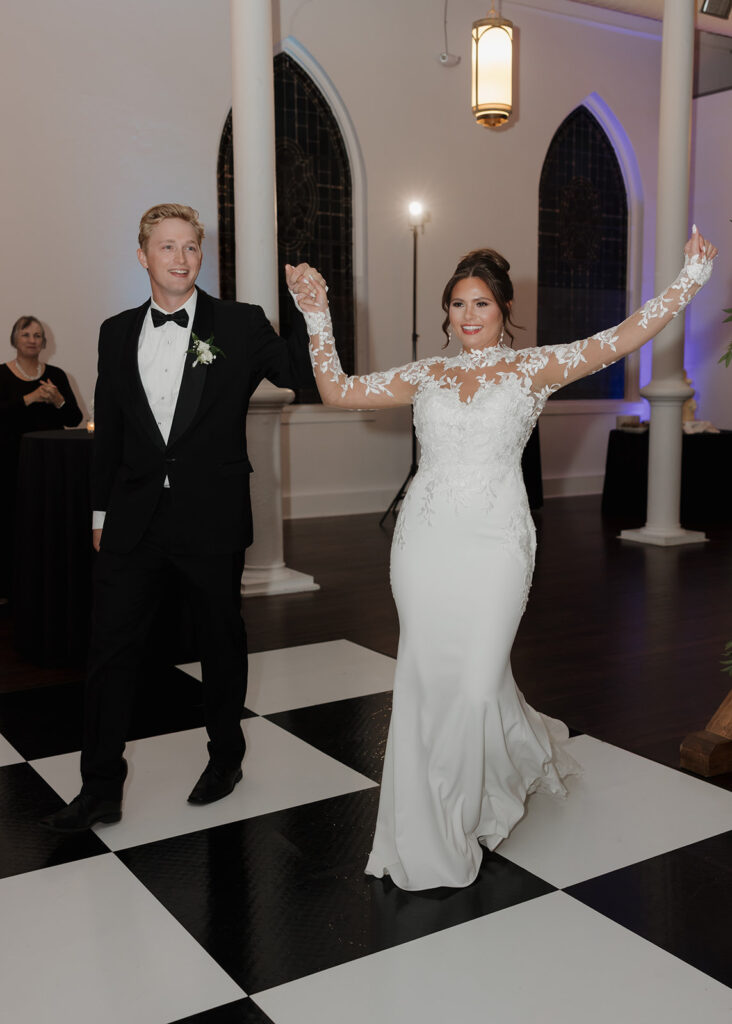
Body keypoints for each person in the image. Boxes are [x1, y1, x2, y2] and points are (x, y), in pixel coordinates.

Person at [292, 226, 717, 890]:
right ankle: (434, 824)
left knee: (477, 682)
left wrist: (688, 282)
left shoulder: (534, 368)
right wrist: (316, 313)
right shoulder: (425, 374)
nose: (468, 316)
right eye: (458, 304)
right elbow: (337, 391)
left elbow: (626, 334)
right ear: (447, 312)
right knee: (429, 680)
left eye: (481, 304)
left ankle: (480, 792)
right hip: (423, 544)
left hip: (496, 543)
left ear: (503, 310)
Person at [42, 203, 320, 832]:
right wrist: (99, 511)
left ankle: (225, 759)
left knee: (219, 644)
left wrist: (310, 313)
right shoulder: (115, 331)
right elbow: (108, 431)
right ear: (143, 256)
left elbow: (303, 377)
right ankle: (100, 787)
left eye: (191, 247)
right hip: (133, 519)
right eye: (167, 247)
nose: (181, 258)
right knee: (110, 649)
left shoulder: (240, 324)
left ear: (201, 254)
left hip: (210, 517)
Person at [0, 317, 82, 602]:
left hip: (50, 465)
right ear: (15, 339)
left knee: (48, 524)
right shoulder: (2, 374)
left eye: (38, 335)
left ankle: (47, 587)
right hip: (11, 463)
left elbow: (74, 419)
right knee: (11, 525)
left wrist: (58, 399)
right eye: (26, 334)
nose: (33, 339)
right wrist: (30, 397)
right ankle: (9, 591)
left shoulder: (56, 375)